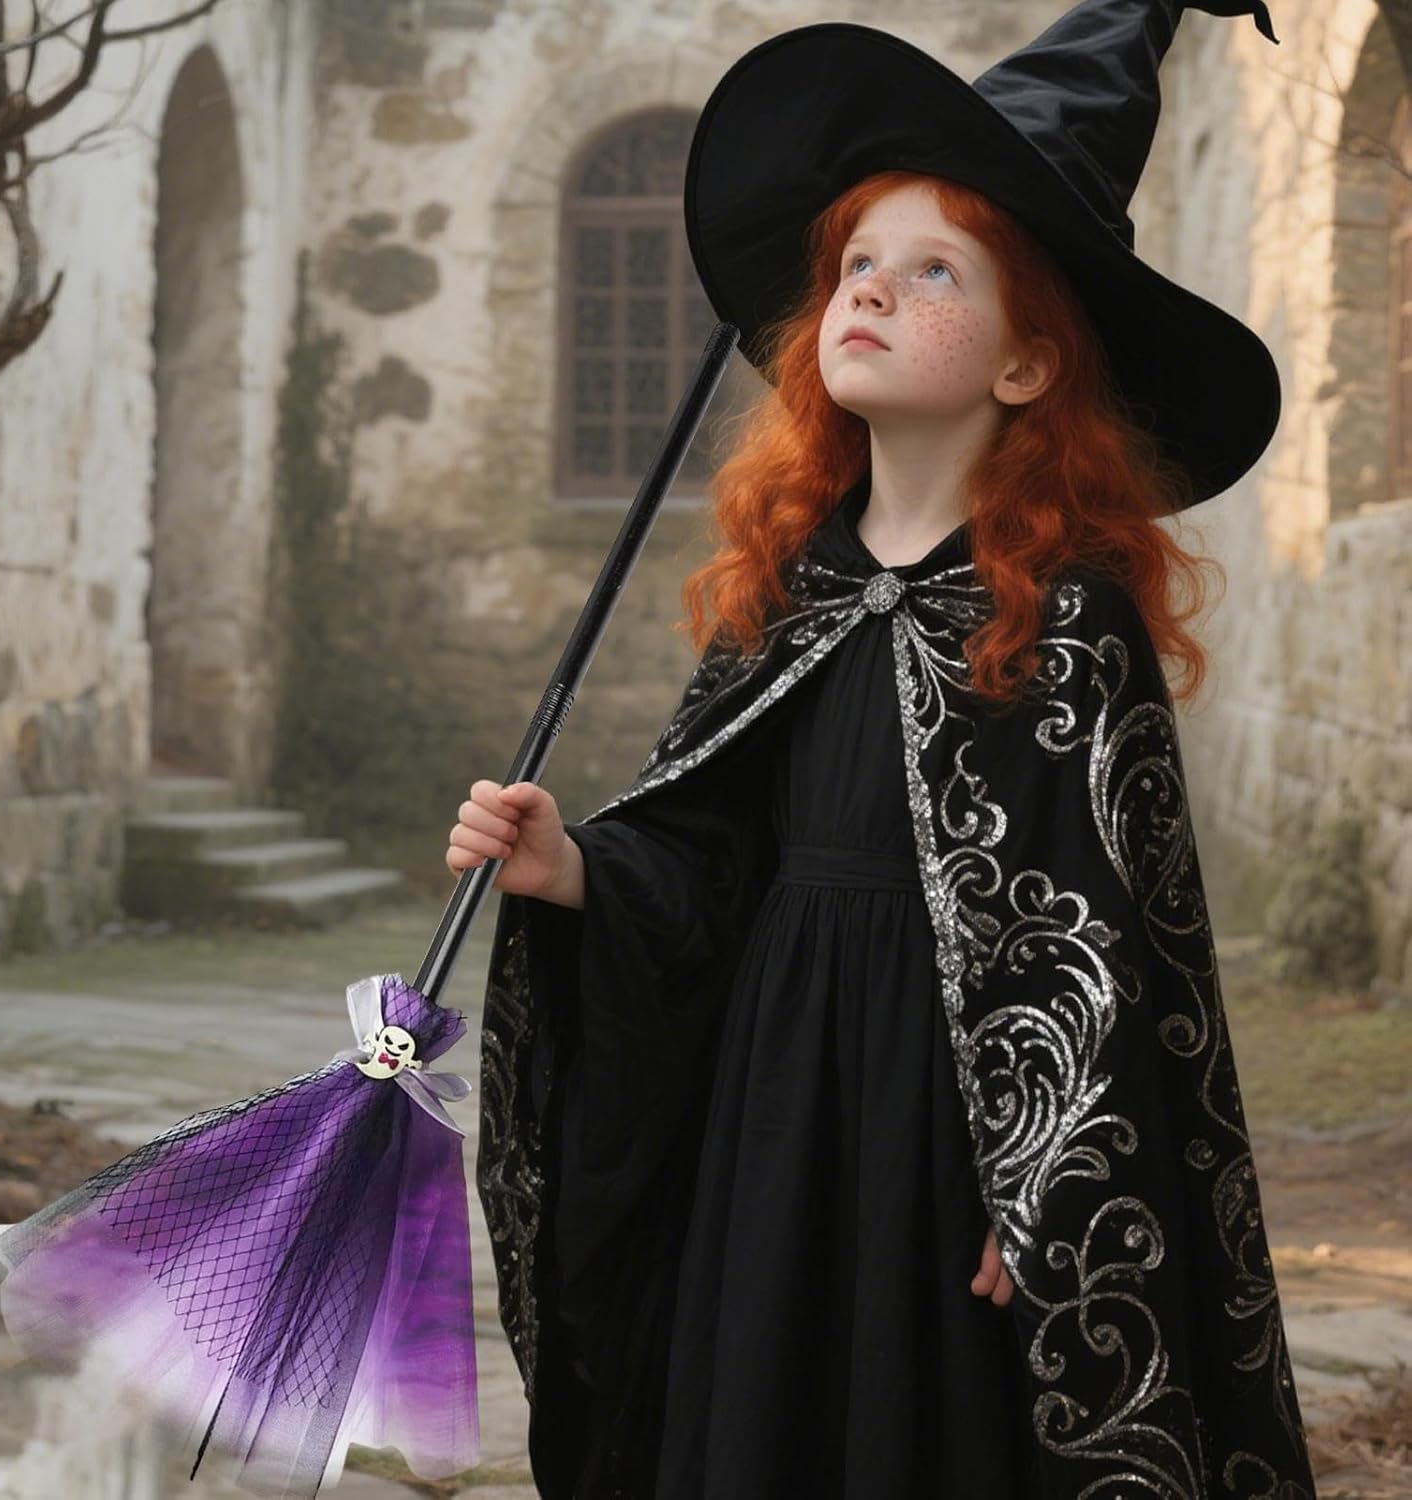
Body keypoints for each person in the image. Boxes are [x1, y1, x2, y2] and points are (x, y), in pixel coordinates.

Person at [458, 3, 1318, 1497]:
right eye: (858, 261)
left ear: (1028, 365)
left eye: (935, 272)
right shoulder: (789, 588)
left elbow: (1109, 951)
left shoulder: (1066, 620)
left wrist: (1046, 1188)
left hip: (955, 1122)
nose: (869, 288)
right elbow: (712, 861)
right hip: (769, 1110)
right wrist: (575, 868)